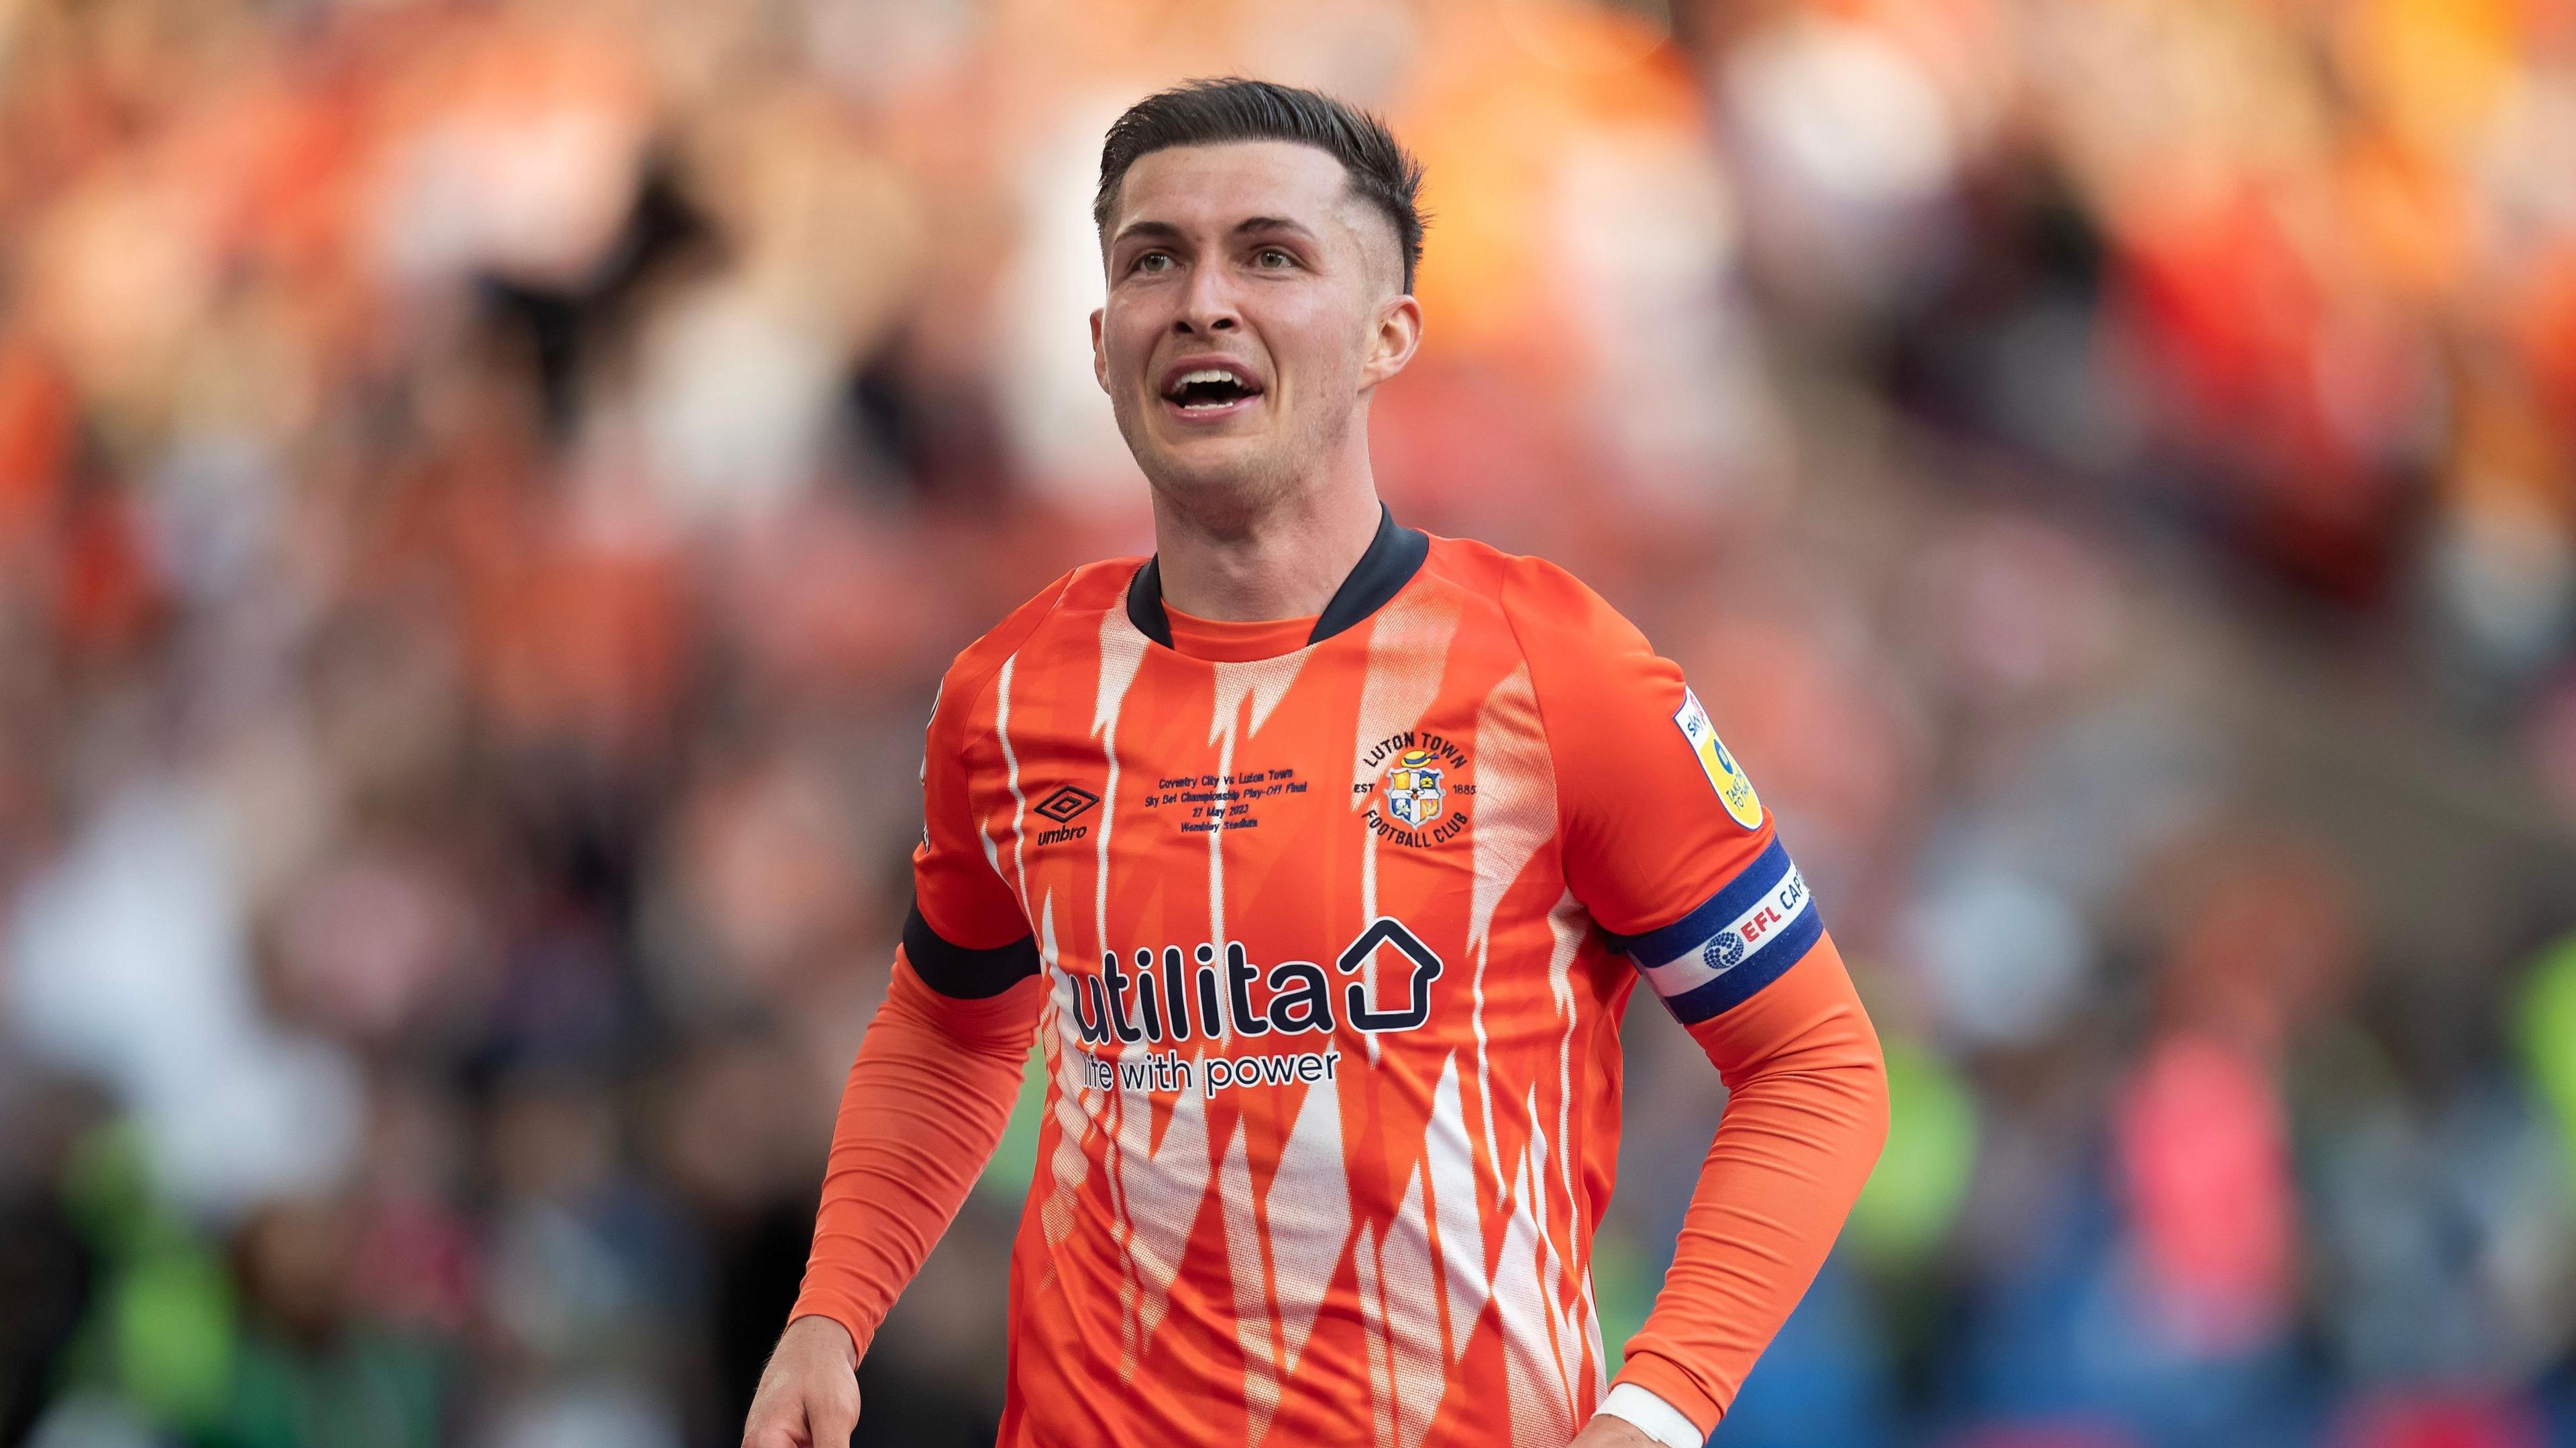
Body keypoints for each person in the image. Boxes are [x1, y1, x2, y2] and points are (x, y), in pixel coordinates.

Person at [741, 78, 1888, 1448]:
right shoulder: (1009, 694)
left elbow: (1817, 1067)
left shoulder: (1553, 669)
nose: (1202, 301)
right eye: (1152, 259)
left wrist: (1658, 1409)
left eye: (1271, 256)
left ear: (1388, 333)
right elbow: (950, 1024)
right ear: (1102, 342)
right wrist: (832, 1309)